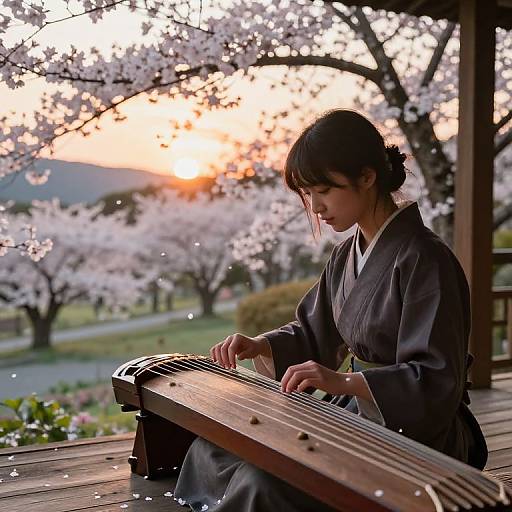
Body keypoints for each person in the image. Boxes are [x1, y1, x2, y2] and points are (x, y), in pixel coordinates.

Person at [173, 109, 488, 512]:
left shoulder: (426, 258)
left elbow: (435, 379)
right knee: (213, 452)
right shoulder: (345, 256)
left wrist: (345, 384)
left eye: (323, 189)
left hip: (417, 429)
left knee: (262, 481)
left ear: (367, 177)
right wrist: (260, 346)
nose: (316, 206)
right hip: (356, 409)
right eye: (308, 193)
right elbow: (311, 333)